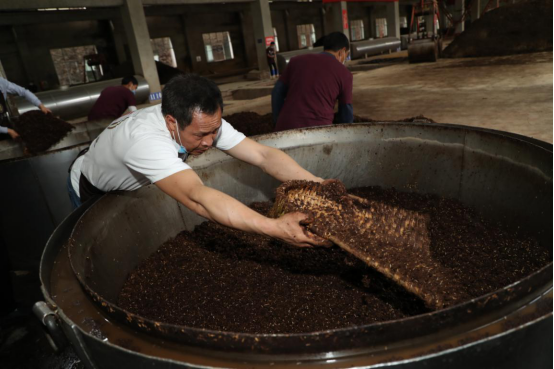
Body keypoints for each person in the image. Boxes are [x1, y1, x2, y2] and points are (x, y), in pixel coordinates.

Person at [68, 74, 330, 248]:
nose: (209, 141)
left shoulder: (204, 121)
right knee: (104, 243)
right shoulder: (144, 141)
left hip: (133, 176)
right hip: (91, 185)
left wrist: (319, 184)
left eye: (214, 131)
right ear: (171, 121)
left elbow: (262, 155)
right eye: (200, 135)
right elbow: (196, 196)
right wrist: (274, 228)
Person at [272, 32, 354, 132]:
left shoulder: (295, 61)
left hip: (285, 128)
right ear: (342, 51)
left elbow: (277, 92)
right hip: (318, 132)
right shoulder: (344, 74)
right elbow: (346, 112)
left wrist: (277, 121)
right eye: (346, 55)